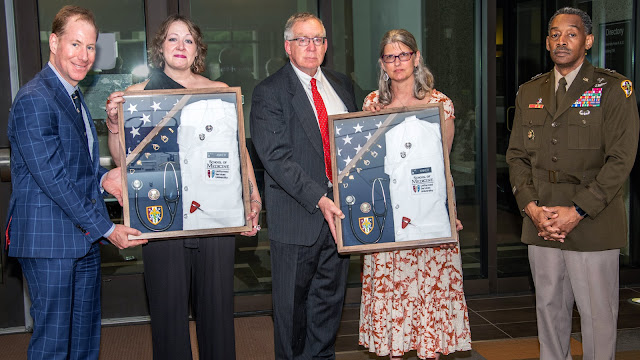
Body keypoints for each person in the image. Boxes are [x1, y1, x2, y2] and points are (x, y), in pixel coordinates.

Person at [104, 14, 262, 360]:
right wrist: (116, 126)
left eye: (188, 40)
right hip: (165, 219)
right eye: (173, 39)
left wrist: (252, 194)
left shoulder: (220, 93)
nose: (180, 46)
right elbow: (123, 161)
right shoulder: (138, 95)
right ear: (161, 48)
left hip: (215, 216)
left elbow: (238, 150)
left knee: (218, 312)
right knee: (168, 314)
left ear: (197, 50)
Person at [5, 6, 147, 359]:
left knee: (84, 340)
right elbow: (52, 179)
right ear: (54, 42)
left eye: (90, 47)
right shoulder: (35, 99)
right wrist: (107, 229)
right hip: (50, 242)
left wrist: (104, 179)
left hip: (80, 239)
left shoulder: (72, 93)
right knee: (54, 343)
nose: (84, 56)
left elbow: (74, 166)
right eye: (75, 44)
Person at [506, 7, 639, 360]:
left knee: (597, 316)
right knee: (549, 310)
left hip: (593, 221)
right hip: (542, 220)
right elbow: (516, 156)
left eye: (571, 33)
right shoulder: (529, 91)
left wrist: (578, 209)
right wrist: (531, 207)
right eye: (554, 34)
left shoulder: (613, 88)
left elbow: (621, 159)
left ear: (588, 40)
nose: (561, 41)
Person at [358, 29, 471, 360]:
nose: (398, 62)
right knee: (392, 292)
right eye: (390, 56)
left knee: (428, 291)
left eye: (404, 54)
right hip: (387, 217)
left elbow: (443, 168)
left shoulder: (440, 104)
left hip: (427, 218)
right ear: (382, 63)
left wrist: (451, 214)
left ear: (416, 57)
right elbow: (367, 168)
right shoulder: (371, 104)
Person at [250, 12, 357, 359]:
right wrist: (320, 198)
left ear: (326, 46)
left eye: (318, 39)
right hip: (298, 220)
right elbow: (276, 158)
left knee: (328, 310)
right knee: (292, 317)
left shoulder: (342, 86)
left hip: (340, 219)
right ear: (288, 46)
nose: (311, 47)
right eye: (303, 39)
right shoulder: (269, 92)